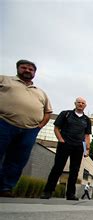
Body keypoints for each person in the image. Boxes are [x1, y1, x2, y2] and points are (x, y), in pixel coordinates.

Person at [0, 60, 52, 197]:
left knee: (18, 159)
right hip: (4, 123)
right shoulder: (5, 80)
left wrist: (39, 126)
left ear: (34, 73)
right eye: (24, 67)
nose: (27, 70)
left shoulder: (40, 92)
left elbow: (48, 112)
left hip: (29, 130)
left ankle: (6, 187)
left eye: (31, 69)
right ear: (18, 68)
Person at [41, 97, 91, 200]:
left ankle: (70, 194)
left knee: (75, 170)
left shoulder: (86, 120)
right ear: (75, 103)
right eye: (79, 102)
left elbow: (87, 136)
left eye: (83, 103)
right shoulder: (66, 114)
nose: (80, 104)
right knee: (58, 167)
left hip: (78, 147)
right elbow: (56, 128)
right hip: (65, 144)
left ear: (85, 105)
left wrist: (87, 149)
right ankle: (48, 191)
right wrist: (61, 140)